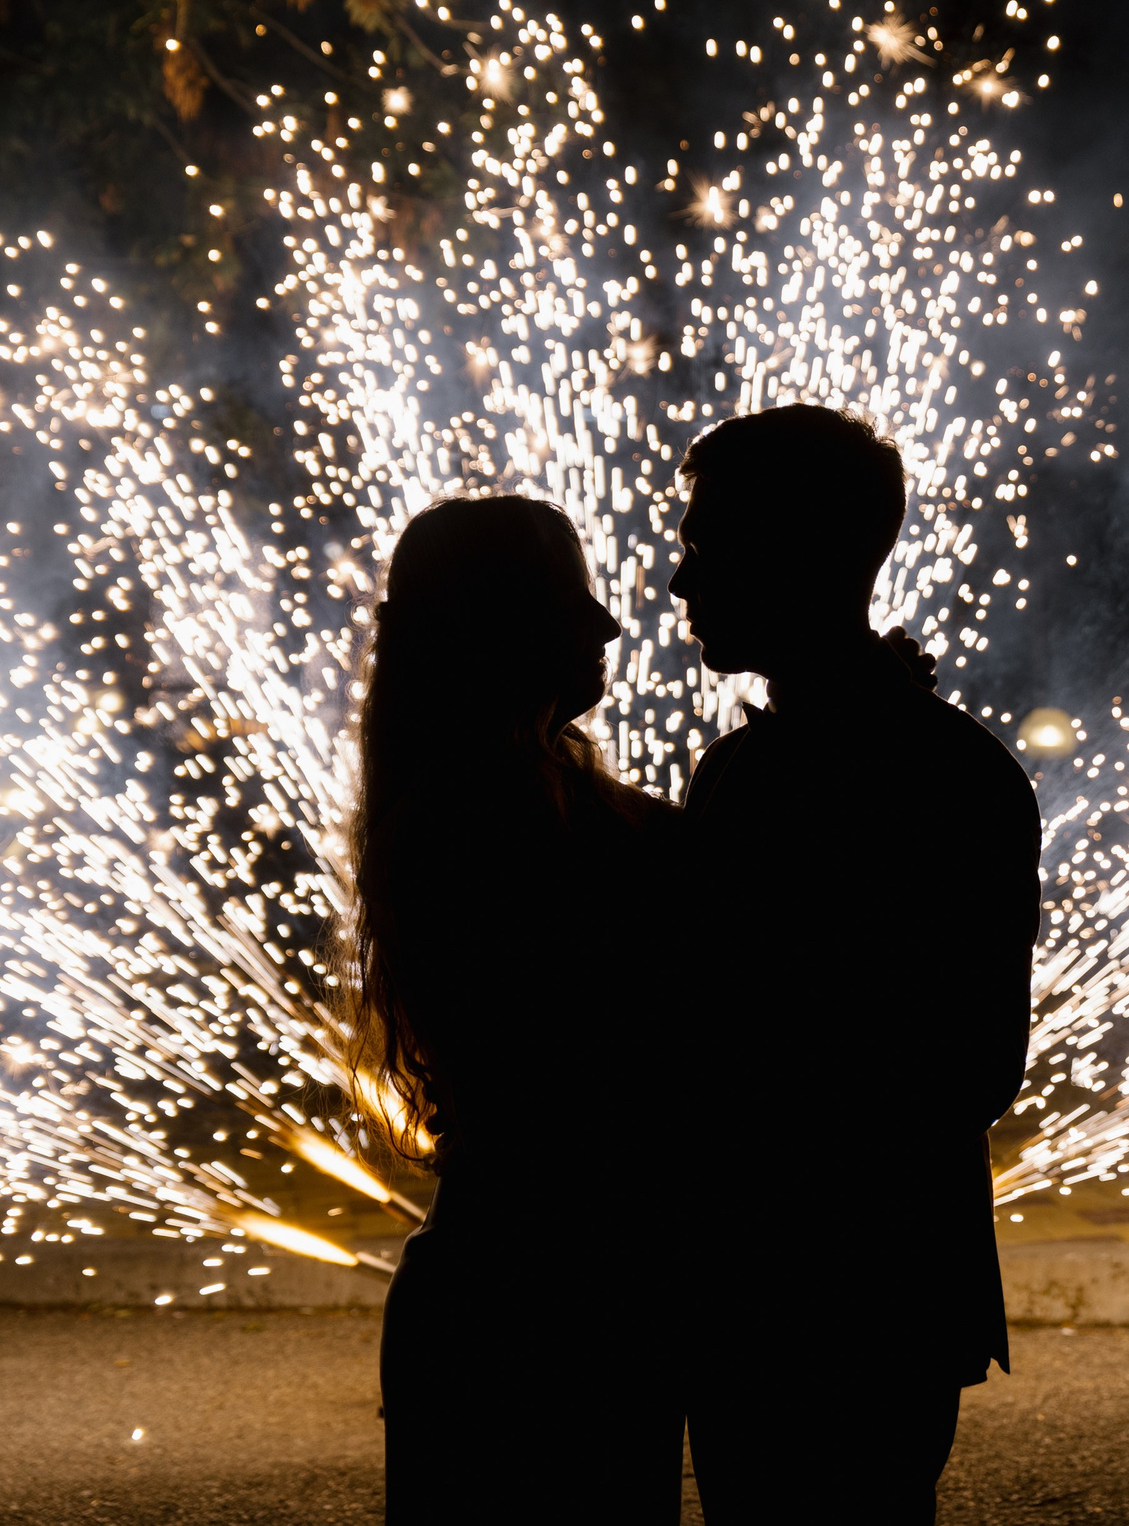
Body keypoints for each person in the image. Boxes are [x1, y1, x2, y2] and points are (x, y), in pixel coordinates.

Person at [668, 404, 1041, 1524]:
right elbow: (974, 1062)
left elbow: (955, 1061)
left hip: (793, 1285)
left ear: (791, 554)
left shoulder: (760, 779)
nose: (682, 583)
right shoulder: (956, 767)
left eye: (705, 545)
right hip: (887, 1284)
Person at [344, 494, 687, 1524]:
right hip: (547, 1302)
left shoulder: (493, 804)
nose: (608, 626)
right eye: (568, 601)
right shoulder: (487, 823)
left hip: (525, 1281)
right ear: (491, 625)